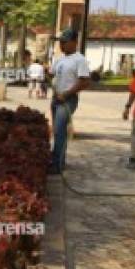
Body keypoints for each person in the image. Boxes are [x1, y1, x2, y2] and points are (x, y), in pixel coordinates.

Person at [47, 30, 91, 174]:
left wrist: (66, 94)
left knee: (59, 131)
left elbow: (84, 82)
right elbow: (52, 74)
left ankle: (56, 164)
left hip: (68, 100)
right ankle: (60, 160)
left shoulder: (80, 59)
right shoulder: (59, 59)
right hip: (56, 98)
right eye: (60, 42)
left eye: (64, 42)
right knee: (57, 131)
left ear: (74, 42)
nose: (61, 45)